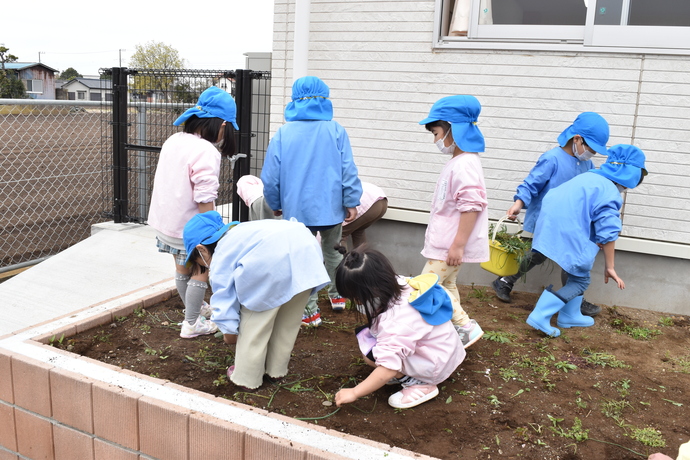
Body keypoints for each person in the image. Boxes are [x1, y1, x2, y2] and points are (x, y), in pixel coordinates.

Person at [182, 211, 330, 389]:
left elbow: (224, 299)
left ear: (202, 249)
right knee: (288, 321)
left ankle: (247, 378)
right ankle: (276, 370)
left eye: (199, 262)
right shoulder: (243, 232)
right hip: (306, 253)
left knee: (255, 323)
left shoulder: (221, 253)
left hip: (271, 266)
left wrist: (229, 332)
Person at [261, 76, 363, 327]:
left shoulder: (284, 133)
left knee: (303, 257)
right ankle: (338, 295)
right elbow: (347, 169)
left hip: (296, 211)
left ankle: (309, 309)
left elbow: (271, 175)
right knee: (333, 251)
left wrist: (274, 203)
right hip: (330, 208)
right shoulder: (336, 130)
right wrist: (351, 200)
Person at [491, 112, 610, 317]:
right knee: (538, 255)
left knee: (572, 258)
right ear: (577, 139)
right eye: (590, 149)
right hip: (546, 219)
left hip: (571, 222)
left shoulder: (587, 165)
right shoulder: (552, 159)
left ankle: (573, 298)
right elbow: (531, 184)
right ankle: (504, 280)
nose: (591, 154)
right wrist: (518, 203)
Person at [526, 144, 648, 337]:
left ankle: (570, 314)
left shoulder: (591, 176)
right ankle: (540, 315)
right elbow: (608, 233)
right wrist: (610, 267)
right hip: (568, 232)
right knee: (581, 280)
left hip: (550, 225)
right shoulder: (609, 191)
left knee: (576, 272)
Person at [147, 86, 238, 339]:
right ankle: (192, 324)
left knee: (181, 270)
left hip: (166, 224)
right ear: (221, 126)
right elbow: (204, 197)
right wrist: (211, 233)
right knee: (201, 271)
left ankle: (194, 308)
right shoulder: (206, 150)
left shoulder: (174, 140)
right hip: (190, 226)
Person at [333, 246, 466, 409]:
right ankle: (408, 373)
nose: (355, 302)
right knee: (371, 345)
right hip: (444, 349)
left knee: (372, 356)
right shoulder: (400, 282)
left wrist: (354, 392)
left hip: (435, 365)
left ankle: (420, 384)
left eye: (356, 298)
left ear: (370, 291)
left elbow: (388, 367)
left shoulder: (397, 320)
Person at [417, 94, 488, 346]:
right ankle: (453, 329)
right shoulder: (459, 161)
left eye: (436, 133)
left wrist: (458, 245)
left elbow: (471, 206)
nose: (435, 140)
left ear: (452, 129)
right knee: (447, 286)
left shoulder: (464, 164)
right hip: (447, 244)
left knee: (423, 288)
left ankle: (465, 326)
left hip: (448, 246)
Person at [237, 175, 387, 249]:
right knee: (358, 233)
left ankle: (343, 281)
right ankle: (369, 271)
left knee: (338, 240)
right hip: (379, 200)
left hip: (363, 202)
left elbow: (319, 242)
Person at [340, 181, 388, 249]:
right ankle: (364, 259)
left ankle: (343, 260)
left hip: (367, 201)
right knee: (358, 231)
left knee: (339, 235)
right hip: (381, 200)